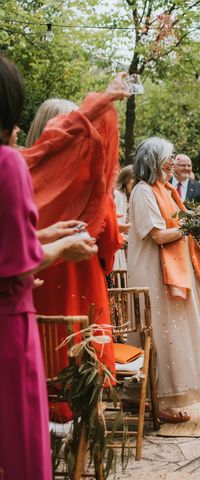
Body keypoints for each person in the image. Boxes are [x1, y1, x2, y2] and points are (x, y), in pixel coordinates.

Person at [0, 54, 99, 480]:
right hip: (11, 323)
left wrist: (45, 234)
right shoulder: (9, 165)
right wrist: (62, 248)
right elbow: (13, 264)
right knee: (19, 444)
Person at [128, 137, 200, 423]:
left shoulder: (163, 190)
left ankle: (167, 396)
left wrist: (197, 224)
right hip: (153, 271)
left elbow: (173, 230)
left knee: (171, 334)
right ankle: (158, 398)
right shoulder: (143, 192)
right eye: (168, 156)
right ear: (153, 160)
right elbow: (158, 235)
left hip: (169, 271)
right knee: (159, 333)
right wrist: (191, 224)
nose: (173, 160)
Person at [23, 75, 130, 375]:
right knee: (81, 364)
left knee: (39, 361)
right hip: (81, 285)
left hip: (30, 283)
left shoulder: (22, 175)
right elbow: (107, 242)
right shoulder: (93, 189)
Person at [113, 165, 134, 271]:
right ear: (125, 178)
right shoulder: (117, 195)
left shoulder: (130, 197)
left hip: (128, 244)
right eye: (133, 178)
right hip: (119, 243)